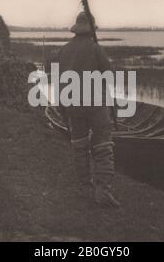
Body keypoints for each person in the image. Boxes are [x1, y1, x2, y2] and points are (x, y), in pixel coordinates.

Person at [58, 11, 120, 208]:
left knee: (80, 146)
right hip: (95, 105)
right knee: (103, 146)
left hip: (73, 105)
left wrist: (63, 108)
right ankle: (103, 190)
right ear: (91, 29)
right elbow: (108, 75)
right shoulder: (95, 49)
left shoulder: (65, 50)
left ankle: (84, 187)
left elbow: (61, 82)